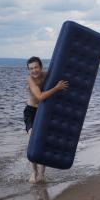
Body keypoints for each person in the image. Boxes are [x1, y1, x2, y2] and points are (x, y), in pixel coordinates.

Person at [24, 56, 69, 184]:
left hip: (44, 111)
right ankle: (33, 171)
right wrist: (57, 88)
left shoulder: (47, 75)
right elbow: (40, 96)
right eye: (31, 68)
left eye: (36, 67)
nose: (34, 71)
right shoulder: (30, 80)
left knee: (43, 142)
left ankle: (42, 174)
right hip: (31, 112)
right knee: (33, 138)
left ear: (41, 67)